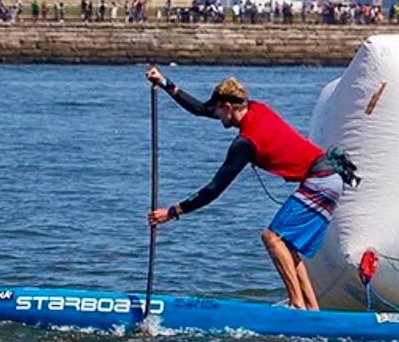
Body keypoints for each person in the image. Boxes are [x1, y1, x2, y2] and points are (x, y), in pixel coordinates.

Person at [145, 69, 358, 309]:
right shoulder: (255, 107)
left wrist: (172, 212)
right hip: (329, 177)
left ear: (228, 106)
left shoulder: (246, 142)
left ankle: (297, 304)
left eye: (218, 110)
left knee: (272, 237)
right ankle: (311, 309)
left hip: (322, 179)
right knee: (285, 244)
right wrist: (164, 82)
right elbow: (200, 109)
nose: (215, 115)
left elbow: (214, 190)